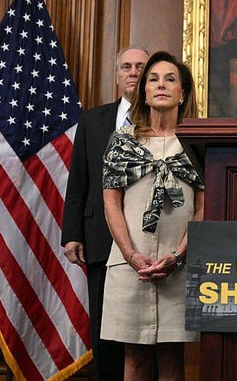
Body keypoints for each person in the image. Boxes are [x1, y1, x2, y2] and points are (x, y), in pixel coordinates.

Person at [100, 51, 205, 380]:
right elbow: (111, 203)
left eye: (170, 79)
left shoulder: (196, 142)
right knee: (135, 357)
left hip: (180, 267)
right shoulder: (122, 142)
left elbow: (204, 207)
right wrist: (131, 256)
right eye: (153, 79)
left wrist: (177, 255)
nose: (161, 85)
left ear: (182, 92)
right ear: (143, 91)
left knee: (174, 358)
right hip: (130, 266)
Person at [62, 45, 149, 380]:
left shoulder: (164, 118)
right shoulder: (93, 120)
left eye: (141, 66)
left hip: (147, 240)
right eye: (126, 66)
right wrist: (72, 233)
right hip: (99, 238)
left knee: (144, 336)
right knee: (105, 332)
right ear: (116, 76)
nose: (133, 72)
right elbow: (79, 179)